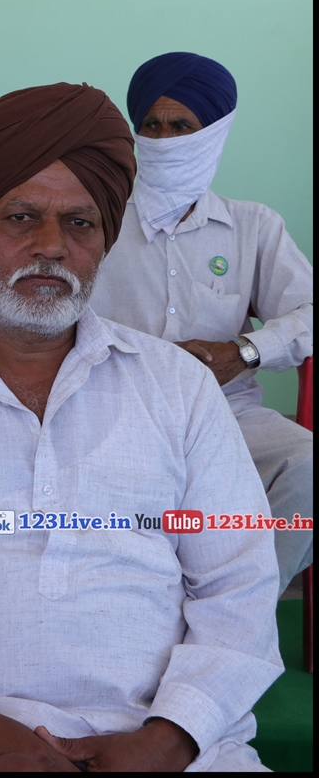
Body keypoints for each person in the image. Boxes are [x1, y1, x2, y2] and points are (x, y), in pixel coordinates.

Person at [0, 83, 282, 772]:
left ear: (106, 240)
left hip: (165, 744)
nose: (52, 247)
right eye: (21, 218)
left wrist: (167, 738)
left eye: (80, 223)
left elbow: (238, 587)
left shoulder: (178, 387)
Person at [91, 52, 313, 596]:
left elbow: (308, 311)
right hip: (113, 414)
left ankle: (241, 610)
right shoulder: (95, 222)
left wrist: (244, 352)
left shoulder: (252, 226)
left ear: (214, 134)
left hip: (227, 416)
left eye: (182, 127)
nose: (164, 140)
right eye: (151, 125)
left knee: (308, 467)